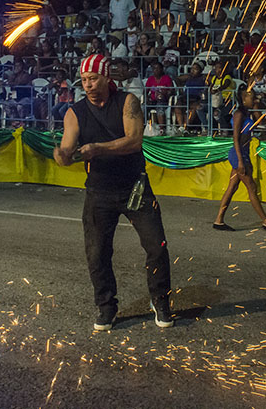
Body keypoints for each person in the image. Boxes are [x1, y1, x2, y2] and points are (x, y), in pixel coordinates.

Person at [53, 53, 173, 330]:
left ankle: (161, 300)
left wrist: (98, 148)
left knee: (157, 246)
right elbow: (67, 148)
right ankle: (106, 306)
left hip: (135, 187)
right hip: (98, 191)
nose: (88, 85)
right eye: (84, 80)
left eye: (93, 78)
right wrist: (62, 155)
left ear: (107, 77)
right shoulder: (75, 112)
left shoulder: (127, 102)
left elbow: (134, 140)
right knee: (96, 253)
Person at [213, 85, 266, 232]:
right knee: (251, 187)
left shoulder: (246, 113)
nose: (254, 99)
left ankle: (219, 220)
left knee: (232, 188)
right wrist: (240, 161)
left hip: (242, 153)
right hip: (238, 154)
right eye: (251, 97)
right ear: (244, 98)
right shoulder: (239, 114)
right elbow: (236, 138)